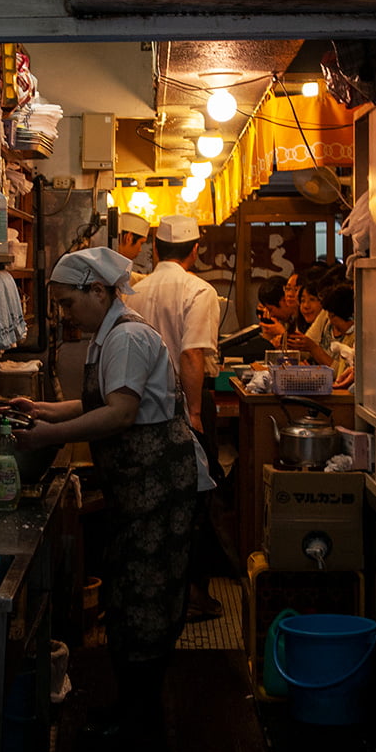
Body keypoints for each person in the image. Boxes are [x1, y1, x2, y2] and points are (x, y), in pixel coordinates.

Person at [10, 246, 214, 752]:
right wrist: (43, 410)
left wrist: (43, 438)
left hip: (158, 486)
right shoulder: (112, 335)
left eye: (66, 303)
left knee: (145, 595)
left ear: (97, 291)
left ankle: (141, 717)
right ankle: (134, 708)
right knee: (132, 589)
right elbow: (96, 404)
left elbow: (120, 414)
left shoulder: (125, 337)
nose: (63, 314)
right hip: (142, 487)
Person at [130, 214, 222, 619]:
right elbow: (192, 354)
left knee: (149, 502)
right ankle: (191, 597)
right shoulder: (198, 290)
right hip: (184, 406)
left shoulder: (134, 290)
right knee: (195, 499)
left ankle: (152, 592)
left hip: (137, 408)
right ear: (195, 250)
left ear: (154, 248)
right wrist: (196, 413)